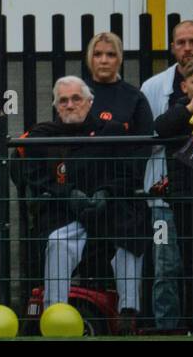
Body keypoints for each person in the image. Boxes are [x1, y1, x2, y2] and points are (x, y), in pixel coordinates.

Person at [14, 76, 144, 332]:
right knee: (58, 243)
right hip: (65, 212)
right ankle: (54, 314)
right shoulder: (42, 136)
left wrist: (107, 193)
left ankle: (128, 313)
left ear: (89, 102)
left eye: (76, 99)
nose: (70, 105)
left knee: (130, 238)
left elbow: (130, 173)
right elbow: (33, 176)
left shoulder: (113, 132)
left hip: (109, 211)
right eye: (63, 100)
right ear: (55, 105)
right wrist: (67, 193)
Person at [78, 30, 152, 333]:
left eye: (110, 54)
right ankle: (85, 310)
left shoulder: (134, 97)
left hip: (123, 191)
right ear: (90, 59)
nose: (104, 60)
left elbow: (144, 145)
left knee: (129, 241)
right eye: (98, 54)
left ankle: (127, 309)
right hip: (86, 191)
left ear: (119, 58)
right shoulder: (78, 94)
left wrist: (119, 184)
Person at [140, 19, 193, 331]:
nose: (187, 48)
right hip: (162, 199)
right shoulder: (154, 87)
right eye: (180, 42)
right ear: (172, 47)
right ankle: (168, 327)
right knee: (166, 265)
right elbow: (155, 131)